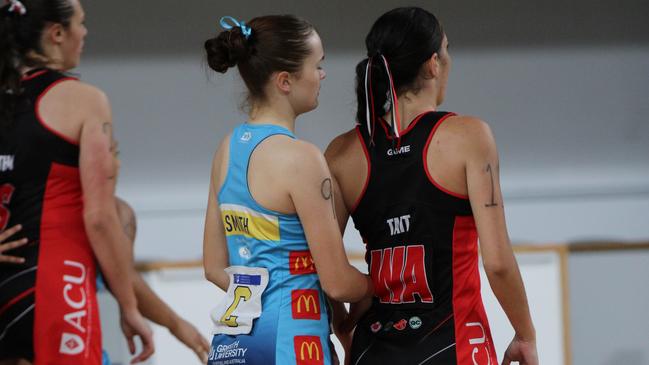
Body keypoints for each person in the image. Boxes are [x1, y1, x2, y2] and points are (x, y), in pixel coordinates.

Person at [325, 7, 539, 365]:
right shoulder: (469, 136)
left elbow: (323, 265)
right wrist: (525, 334)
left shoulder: (341, 153)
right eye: (447, 49)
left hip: (372, 349)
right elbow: (498, 262)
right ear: (433, 64)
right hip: (453, 346)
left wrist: (344, 327)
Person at [202, 15, 374, 365]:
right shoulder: (301, 158)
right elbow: (338, 283)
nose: (322, 75)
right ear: (285, 81)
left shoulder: (227, 149)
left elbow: (214, 267)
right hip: (293, 346)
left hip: (232, 348)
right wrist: (379, 285)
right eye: (317, 65)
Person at [0, 0, 153, 363]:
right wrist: (129, 307)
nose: (84, 34)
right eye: (81, 24)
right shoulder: (84, 101)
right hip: (54, 281)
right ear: (57, 33)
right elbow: (99, 217)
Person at [115, 198, 211, 363]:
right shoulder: (114, 213)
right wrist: (129, 308)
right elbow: (123, 275)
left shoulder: (119, 213)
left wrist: (176, 325)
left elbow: (123, 276)